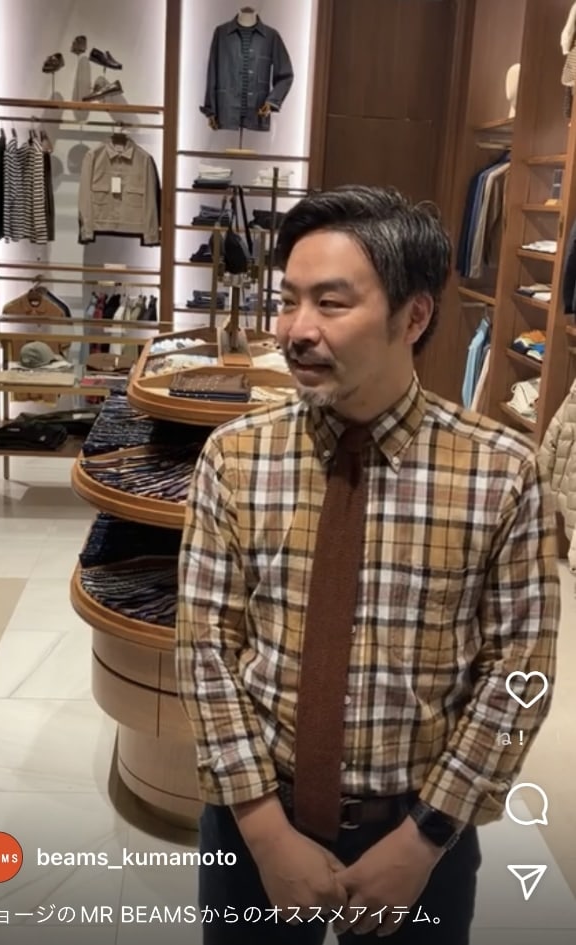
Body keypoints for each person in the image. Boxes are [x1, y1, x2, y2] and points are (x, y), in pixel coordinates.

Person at [176, 185, 559, 944]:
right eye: (288, 300)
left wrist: (425, 839)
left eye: (330, 303)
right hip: (253, 819)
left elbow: (520, 673)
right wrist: (265, 832)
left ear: (413, 317)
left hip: (418, 830)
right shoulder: (236, 456)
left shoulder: (501, 473)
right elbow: (204, 647)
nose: (297, 330)